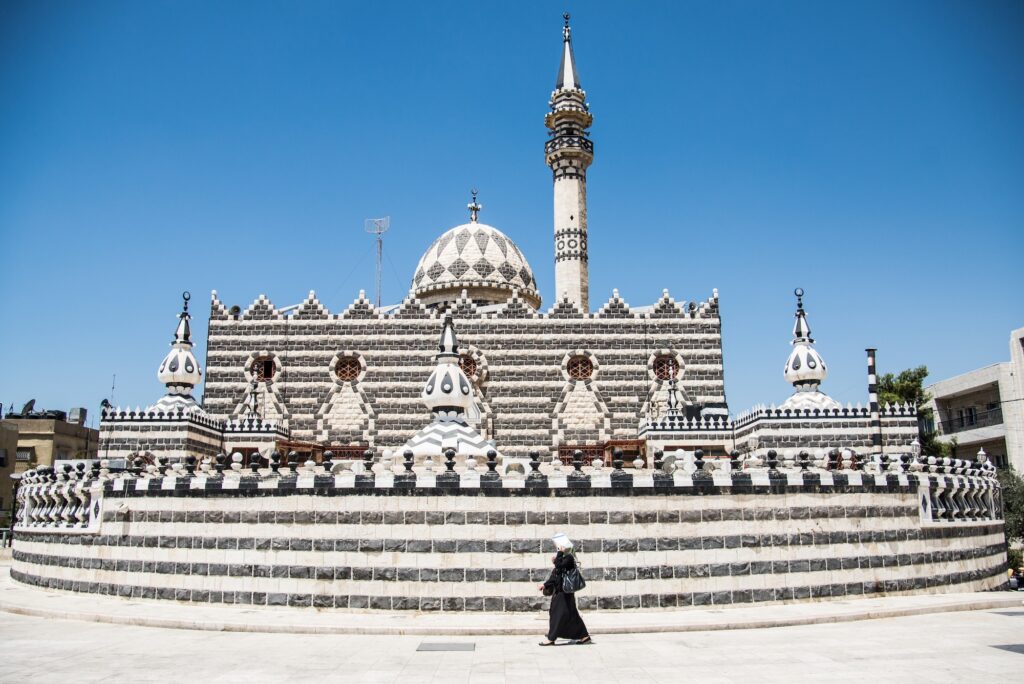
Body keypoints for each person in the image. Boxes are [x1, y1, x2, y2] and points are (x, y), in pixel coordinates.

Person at [538, 534, 592, 645]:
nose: (557, 547)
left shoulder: (569, 558)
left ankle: (551, 638)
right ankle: (584, 636)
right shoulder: (562, 558)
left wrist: (559, 554)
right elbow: (556, 575)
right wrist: (545, 584)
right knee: (571, 615)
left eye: (559, 546)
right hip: (562, 592)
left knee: (557, 614)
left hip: (564, 592)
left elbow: (559, 567)